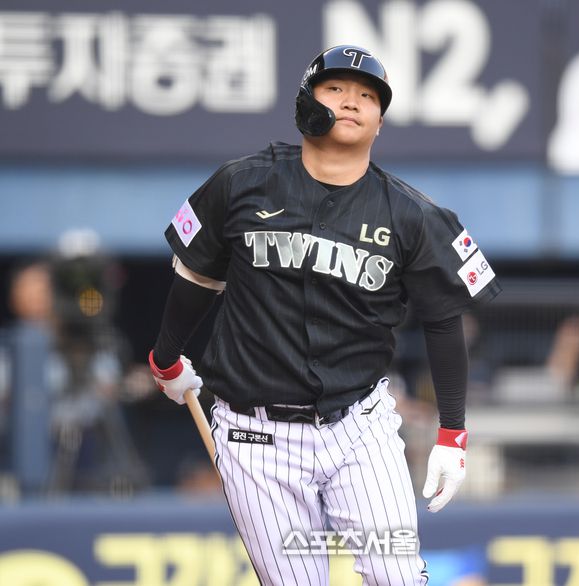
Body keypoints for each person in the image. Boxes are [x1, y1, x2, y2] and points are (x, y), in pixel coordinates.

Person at [148, 45, 500, 585]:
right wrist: (166, 357)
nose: (352, 102)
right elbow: (197, 276)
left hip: (359, 429)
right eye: (336, 89)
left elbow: (443, 319)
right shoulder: (241, 182)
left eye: (367, 96)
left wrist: (453, 432)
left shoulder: (412, 215)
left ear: (380, 121)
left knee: (396, 578)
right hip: (254, 436)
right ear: (305, 103)